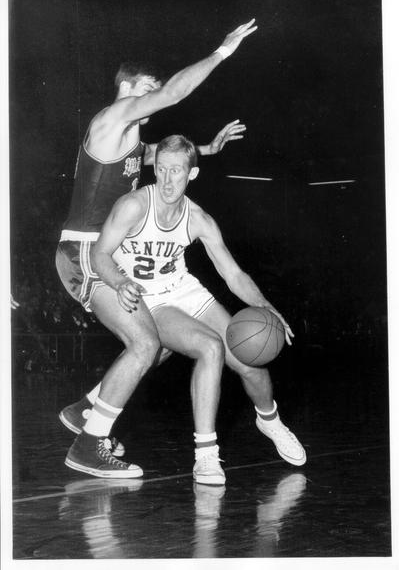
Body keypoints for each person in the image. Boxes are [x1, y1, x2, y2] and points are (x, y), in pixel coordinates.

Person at [56, 20, 258, 476]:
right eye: (148, 87)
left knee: (161, 341)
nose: (155, 94)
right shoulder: (114, 117)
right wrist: (222, 52)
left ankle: (86, 408)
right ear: (127, 87)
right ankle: (88, 447)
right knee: (145, 342)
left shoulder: (127, 138)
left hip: (100, 252)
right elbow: (174, 95)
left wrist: (205, 147)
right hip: (87, 255)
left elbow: (152, 157)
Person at [65, 135, 306, 485]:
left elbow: (233, 273)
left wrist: (267, 307)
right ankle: (206, 455)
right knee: (210, 347)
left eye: (176, 171)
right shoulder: (133, 205)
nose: (166, 179)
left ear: (191, 174)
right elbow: (99, 254)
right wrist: (120, 283)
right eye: (161, 169)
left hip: (185, 289)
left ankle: (270, 420)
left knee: (251, 362)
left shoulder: (198, 219)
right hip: (151, 298)